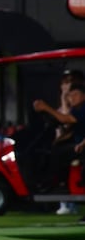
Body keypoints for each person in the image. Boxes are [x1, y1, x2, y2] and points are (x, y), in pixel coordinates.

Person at [33, 69, 85, 214]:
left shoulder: (83, 109)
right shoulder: (76, 109)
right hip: (78, 145)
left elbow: (65, 119)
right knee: (55, 150)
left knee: (60, 152)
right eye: (70, 96)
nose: (71, 98)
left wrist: (46, 108)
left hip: (82, 146)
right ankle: (56, 183)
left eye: (74, 95)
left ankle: (55, 182)